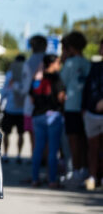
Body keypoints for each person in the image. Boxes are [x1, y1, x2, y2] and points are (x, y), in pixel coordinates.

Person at [29, 54, 65, 187]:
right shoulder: (57, 77)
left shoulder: (37, 78)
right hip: (53, 115)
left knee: (38, 148)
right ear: (53, 63)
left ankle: (35, 178)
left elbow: (32, 98)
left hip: (38, 115)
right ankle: (52, 180)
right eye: (58, 62)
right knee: (53, 150)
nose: (59, 64)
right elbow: (61, 96)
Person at [60, 32, 91, 187]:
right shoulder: (88, 63)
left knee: (73, 140)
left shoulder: (70, 63)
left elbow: (62, 82)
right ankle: (85, 169)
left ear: (70, 48)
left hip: (72, 106)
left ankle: (76, 171)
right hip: (86, 107)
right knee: (85, 141)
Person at [81, 39, 103, 191]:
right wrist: (84, 108)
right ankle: (92, 177)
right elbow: (87, 87)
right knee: (93, 148)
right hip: (92, 113)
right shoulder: (95, 66)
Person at [0, 54, 28, 162]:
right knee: (19, 133)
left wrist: (1, 103)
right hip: (20, 109)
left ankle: (7, 154)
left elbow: (4, 90)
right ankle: (18, 155)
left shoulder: (11, 74)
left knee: (8, 133)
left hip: (11, 108)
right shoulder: (26, 73)